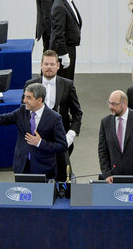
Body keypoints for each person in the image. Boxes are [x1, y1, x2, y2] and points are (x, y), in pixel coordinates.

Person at [0, 83, 67, 180]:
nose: (24, 101)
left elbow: (62, 146)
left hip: (43, 168)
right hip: (22, 165)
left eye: (29, 98)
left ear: (39, 100)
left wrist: (40, 142)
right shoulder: (22, 111)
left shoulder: (54, 118)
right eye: (24, 97)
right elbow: (1, 119)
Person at [24, 50, 83, 181]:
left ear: (58, 66)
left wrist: (71, 135)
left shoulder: (68, 85)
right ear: (41, 65)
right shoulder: (30, 84)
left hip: (60, 139)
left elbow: (77, 112)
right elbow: (24, 111)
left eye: (52, 64)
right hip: (36, 139)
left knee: (62, 175)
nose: (49, 67)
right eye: (46, 64)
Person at [49, 0, 82, 81]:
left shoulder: (68, 1)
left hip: (70, 48)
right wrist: (63, 54)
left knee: (69, 79)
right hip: (64, 50)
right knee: (65, 80)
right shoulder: (59, 6)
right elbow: (58, 33)